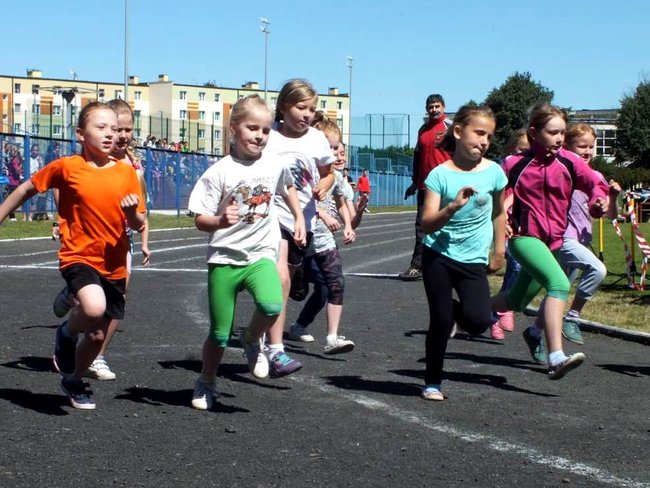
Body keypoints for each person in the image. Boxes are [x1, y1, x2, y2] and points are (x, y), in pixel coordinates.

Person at [0, 101, 146, 409]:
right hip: (78, 255)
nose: (110, 134)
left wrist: (132, 213)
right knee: (93, 307)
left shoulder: (126, 173)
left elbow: (138, 222)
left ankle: (74, 380)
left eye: (114, 128)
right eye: (101, 127)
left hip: (114, 264)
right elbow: (26, 189)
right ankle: (66, 334)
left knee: (96, 337)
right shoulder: (66, 167)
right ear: (80, 134)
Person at [187, 94, 305, 410]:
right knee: (219, 335)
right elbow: (199, 219)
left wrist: (298, 216)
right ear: (234, 128)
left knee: (271, 303)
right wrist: (219, 220)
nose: (259, 136)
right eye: (252, 128)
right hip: (225, 258)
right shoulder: (219, 172)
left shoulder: (274, 163)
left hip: (259, 254)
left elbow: (288, 186)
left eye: (265, 130)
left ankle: (252, 339)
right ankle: (206, 381)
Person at [491, 103, 609, 380]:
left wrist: (598, 202)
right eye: (553, 132)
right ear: (534, 133)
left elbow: (595, 185)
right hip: (524, 237)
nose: (559, 138)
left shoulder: (569, 162)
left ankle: (465, 311)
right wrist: (502, 216)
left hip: (553, 242)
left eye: (562, 133)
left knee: (516, 300)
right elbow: (494, 193)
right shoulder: (514, 164)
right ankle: (556, 357)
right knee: (559, 284)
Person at [419, 105, 506, 401]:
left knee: (479, 321)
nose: (484, 141)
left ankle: (455, 311)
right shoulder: (439, 176)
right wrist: (452, 207)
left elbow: (499, 212)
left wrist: (499, 249)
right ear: (458, 132)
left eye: (489, 136)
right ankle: (432, 382)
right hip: (438, 256)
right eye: (479, 133)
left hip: (473, 260)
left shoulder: (494, 172)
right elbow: (427, 223)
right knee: (440, 321)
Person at [263, 79, 335, 378]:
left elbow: (329, 173)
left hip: (302, 221)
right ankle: (275, 348)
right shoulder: (269, 135)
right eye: (301, 107)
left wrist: (324, 185)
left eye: (311, 109)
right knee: (279, 278)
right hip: (269, 216)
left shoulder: (316, 139)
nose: (307, 114)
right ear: (283, 107)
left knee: (286, 281)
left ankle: (263, 337)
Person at [528, 123, 620, 358]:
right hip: (562, 238)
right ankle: (572, 317)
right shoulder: (561, 170)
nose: (587, 151)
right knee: (597, 269)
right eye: (581, 146)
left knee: (557, 292)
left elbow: (609, 215)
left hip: (580, 241)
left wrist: (611, 197)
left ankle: (534, 332)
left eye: (591, 146)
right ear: (567, 146)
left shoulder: (596, 177)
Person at [288, 116, 359, 354]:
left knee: (335, 284)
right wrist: (322, 214)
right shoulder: (305, 171)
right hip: (303, 239)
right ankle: (267, 334)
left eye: (337, 148)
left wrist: (348, 225)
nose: (335, 154)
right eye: (330, 148)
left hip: (325, 241)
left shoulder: (335, 176)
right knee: (296, 291)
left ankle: (332, 338)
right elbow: (297, 201)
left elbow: (340, 202)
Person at [401, 94, 452, 281]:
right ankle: (417, 266)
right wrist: (415, 182)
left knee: (449, 226)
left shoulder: (451, 127)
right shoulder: (423, 130)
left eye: (437, 106)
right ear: (426, 109)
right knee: (422, 227)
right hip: (425, 187)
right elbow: (417, 156)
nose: (434, 110)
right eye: (431, 107)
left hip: (447, 187)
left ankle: (450, 267)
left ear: (444, 107)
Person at [488, 128, 530, 340]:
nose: (524, 156)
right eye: (521, 151)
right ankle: (498, 309)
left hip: (521, 223)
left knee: (518, 267)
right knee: (514, 263)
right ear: (512, 149)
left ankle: (498, 311)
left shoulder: (532, 167)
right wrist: (501, 213)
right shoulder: (505, 166)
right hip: (501, 221)